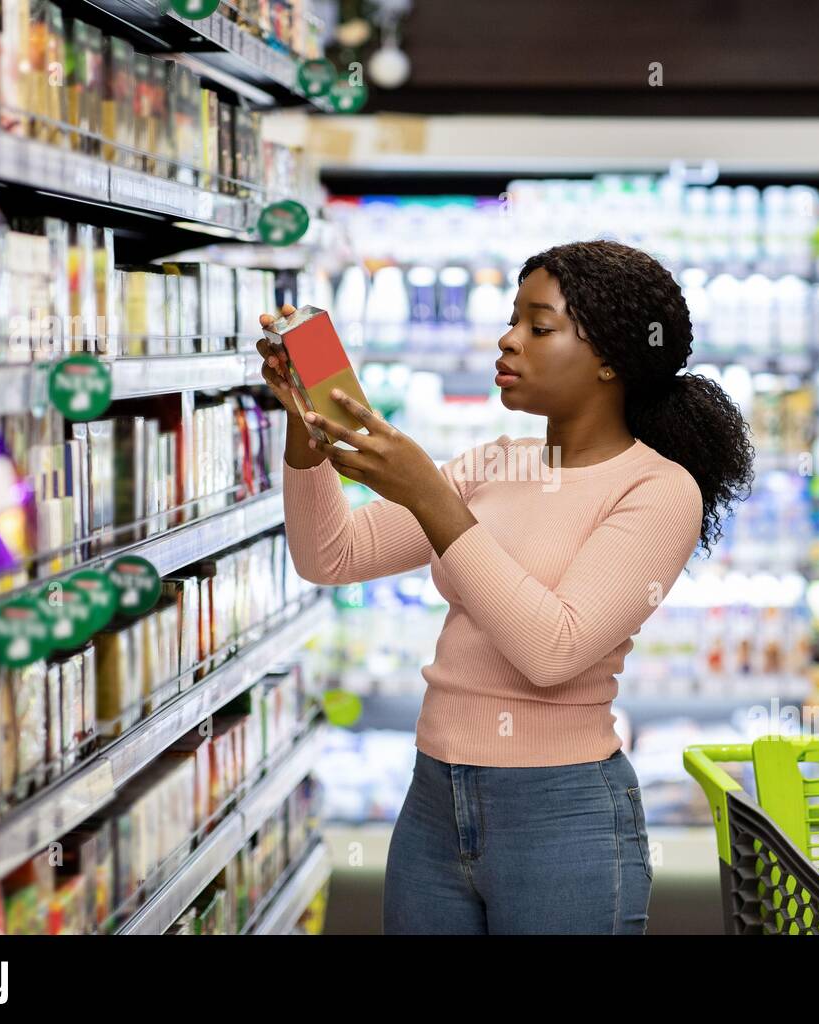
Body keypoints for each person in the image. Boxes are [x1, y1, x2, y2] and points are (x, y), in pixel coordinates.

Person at [258, 239, 754, 934]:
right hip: (433, 798)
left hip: (562, 816)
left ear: (611, 357)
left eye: (538, 327)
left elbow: (552, 650)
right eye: (511, 320)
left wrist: (435, 500)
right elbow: (332, 556)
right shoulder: (493, 465)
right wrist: (306, 430)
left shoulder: (659, 490)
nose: (508, 340)